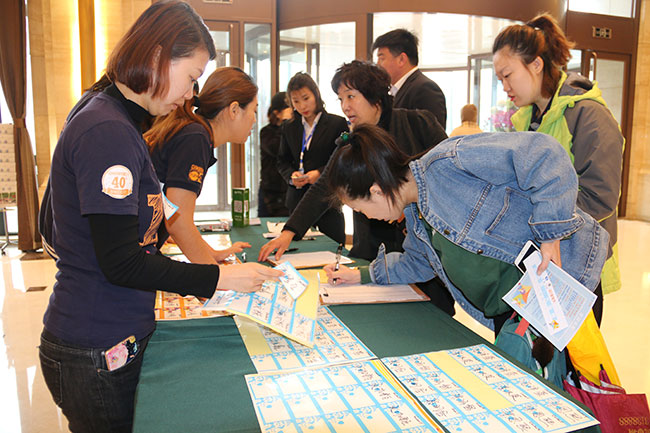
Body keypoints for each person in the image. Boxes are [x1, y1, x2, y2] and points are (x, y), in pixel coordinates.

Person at [38, 3, 282, 432]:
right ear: (156, 57)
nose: (190, 95)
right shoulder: (107, 130)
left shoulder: (116, 118)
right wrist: (219, 278)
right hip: (95, 340)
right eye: (191, 77)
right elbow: (121, 262)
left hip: (107, 332)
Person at [323, 125, 609, 337]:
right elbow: (417, 264)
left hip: (566, 285)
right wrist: (361, 275)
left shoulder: (449, 161)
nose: (366, 217)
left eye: (360, 209)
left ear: (376, 191)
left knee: (573, 391)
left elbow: (543, 154)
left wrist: (550, 235)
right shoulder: (416, 214)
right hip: (517, 312)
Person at [492, 13, 624, 325]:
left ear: (536, 64)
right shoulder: (526, 119)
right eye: (500, 79)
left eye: (508, 75)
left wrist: (539, 217)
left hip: (578, 265)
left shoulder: (588, 115)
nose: (505, 86)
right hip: (537, 261)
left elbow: (600, 196)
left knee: (569, 356)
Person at [259, 61, 447, 268]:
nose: (345, 106)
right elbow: (324, 185)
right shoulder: (351, 139)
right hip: (371, 249)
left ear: (374, 95)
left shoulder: (418, 123)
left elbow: (446, 174)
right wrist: (289, 232)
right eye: (340, 99)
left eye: (350, 96)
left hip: (422, 251)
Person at [144, 67, 257, 264]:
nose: (255, 120)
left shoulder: (195, 132)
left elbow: (176, 216)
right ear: (234, 110)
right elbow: (178, 223)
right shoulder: (195, 138)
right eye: (253, 110)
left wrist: (212, 255)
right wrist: (217, 275)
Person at [276, 72, 348, 243]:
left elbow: (342, 161)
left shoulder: (337, 123)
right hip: (296, 200)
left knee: (332, 246)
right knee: (298, 248)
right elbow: (282, 161)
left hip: (328, 201)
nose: (302, 105)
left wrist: (320, 173)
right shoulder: (289, 127)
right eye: (296, 101)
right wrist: (291, 176)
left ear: (316, 94)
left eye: (306, 98)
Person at [372, 28, 447, 127]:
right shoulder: (394, 90)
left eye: (381, 58)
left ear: (401, 59)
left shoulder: (425, 89)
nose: (377, 64)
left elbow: (432, 133)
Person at [258, 91, 293, 217]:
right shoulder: (266, 132)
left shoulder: (295, 130)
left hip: (288, 189)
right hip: (269, 192)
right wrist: (285, 123)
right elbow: (276, 149)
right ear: (277, 113)